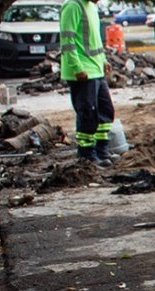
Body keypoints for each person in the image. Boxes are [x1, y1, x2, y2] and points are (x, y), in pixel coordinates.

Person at [60, 0, 116, 166]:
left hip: (96, 68)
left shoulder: (91, 6)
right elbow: (67, 41)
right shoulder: (73, 6)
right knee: (87, 113)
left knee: (105, 111)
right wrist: (77, 67)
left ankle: (101, 151)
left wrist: (104, 60)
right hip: (83, 72)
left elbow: (94, 41)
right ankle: (87, 155)